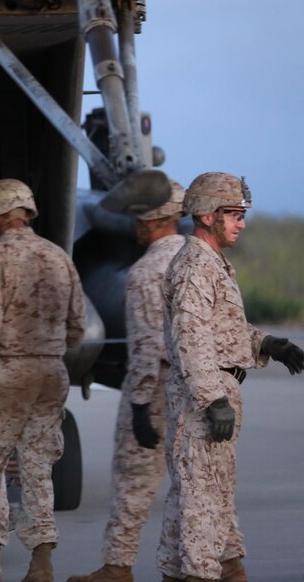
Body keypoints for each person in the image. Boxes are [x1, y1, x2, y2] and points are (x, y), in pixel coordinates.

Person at [156, 173, 304, 582]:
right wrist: (212, 398)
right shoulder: (194, 266)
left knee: (205, 495)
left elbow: (220, 331)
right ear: (206, 216)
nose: (241, 223)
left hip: (215, 387)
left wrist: (267, 343)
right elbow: (190, 337)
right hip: (204, 398)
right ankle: (200, 574)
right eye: (234, 215)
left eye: (242, 215)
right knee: (202, 498)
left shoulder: (213, 263)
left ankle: (212, 570)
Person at [0, 178, 86, 582]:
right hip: (51, 370)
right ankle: (41, 563)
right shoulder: (58, 256)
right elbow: (77, 325)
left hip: (7, 370)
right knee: (37, 465)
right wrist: (50, 348)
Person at [68, 181, 187, 582]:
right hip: (201, 387)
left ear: (151, 217)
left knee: (133, 479)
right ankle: (229, 565)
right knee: (203, 483)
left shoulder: (147, 271)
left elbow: (147, 346)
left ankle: (117, 566)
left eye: (138, 214)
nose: (132, 222)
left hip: (156, 387)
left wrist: (137, 403)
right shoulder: (205, 262)